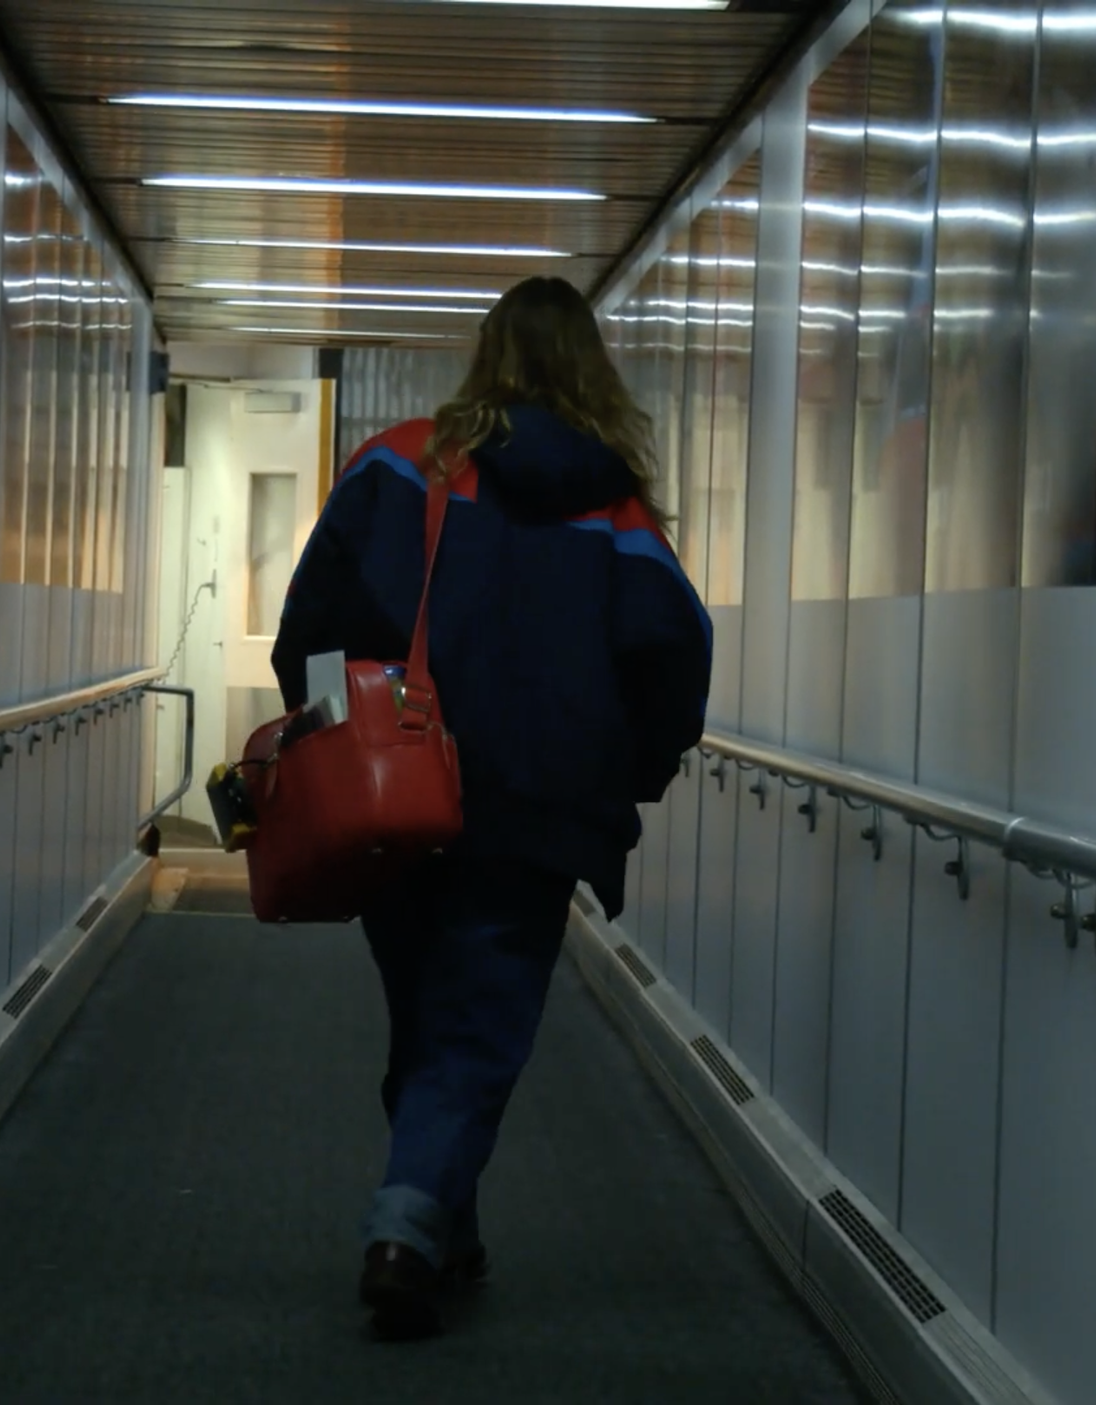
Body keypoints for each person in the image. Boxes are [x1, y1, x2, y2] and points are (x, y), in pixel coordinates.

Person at [271, 275, 713, 1341]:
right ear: (591, 368)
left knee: (430, 1017)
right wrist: (625, 775)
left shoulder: (397, 464)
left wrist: (333, 734)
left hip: (396, 793)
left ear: (486, 354)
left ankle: (423, 1230)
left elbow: (310, 624)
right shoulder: (620, 511)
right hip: (539, 814)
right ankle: (415, 1230)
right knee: (470, 1029)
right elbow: (672, 660)